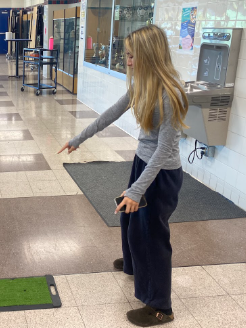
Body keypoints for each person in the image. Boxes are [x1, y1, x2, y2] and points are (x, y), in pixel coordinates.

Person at [58, 25, 188, 327]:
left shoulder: (170, 93)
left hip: (160, 174)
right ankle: (133, 265)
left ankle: (160, 307)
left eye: (131, 56)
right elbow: (110, 114)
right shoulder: (143, 84)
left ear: (148, 55)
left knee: (151, 237)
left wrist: (136, 191)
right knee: (130, 221)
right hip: (143, 165)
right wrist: (80, 138)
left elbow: (164, 151)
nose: (127, 62)